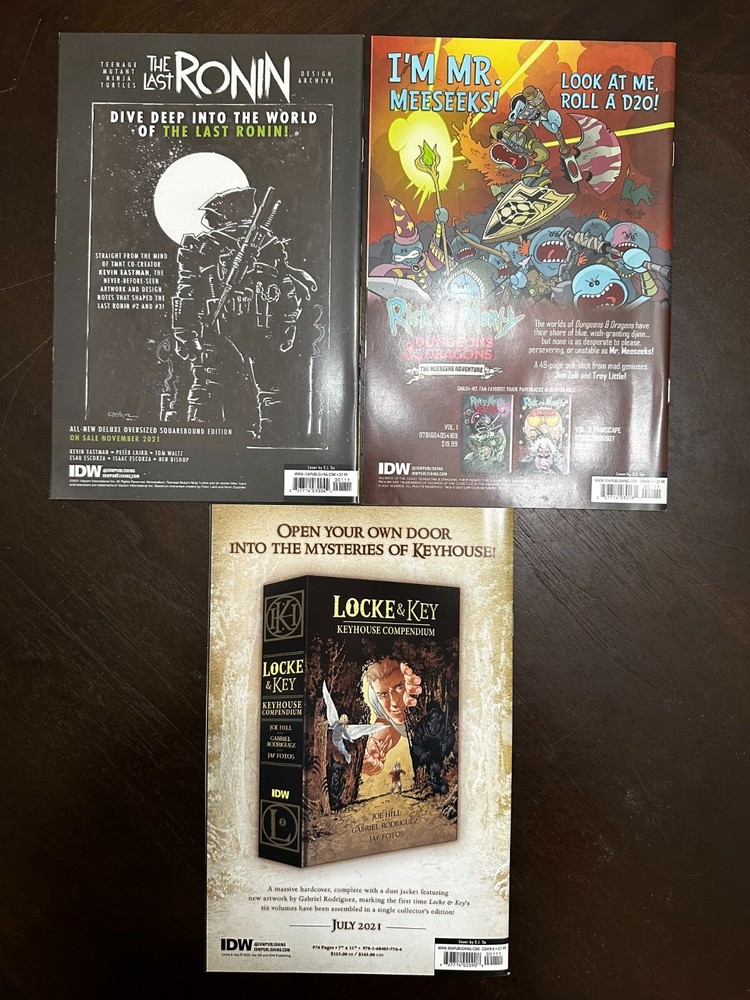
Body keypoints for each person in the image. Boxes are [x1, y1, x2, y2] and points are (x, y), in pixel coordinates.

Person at [362, 659, 421, 776]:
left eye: (399, 686)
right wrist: (374, 746)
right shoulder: (375, 693)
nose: (394, 702)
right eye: (384, 695)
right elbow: (387, 722)